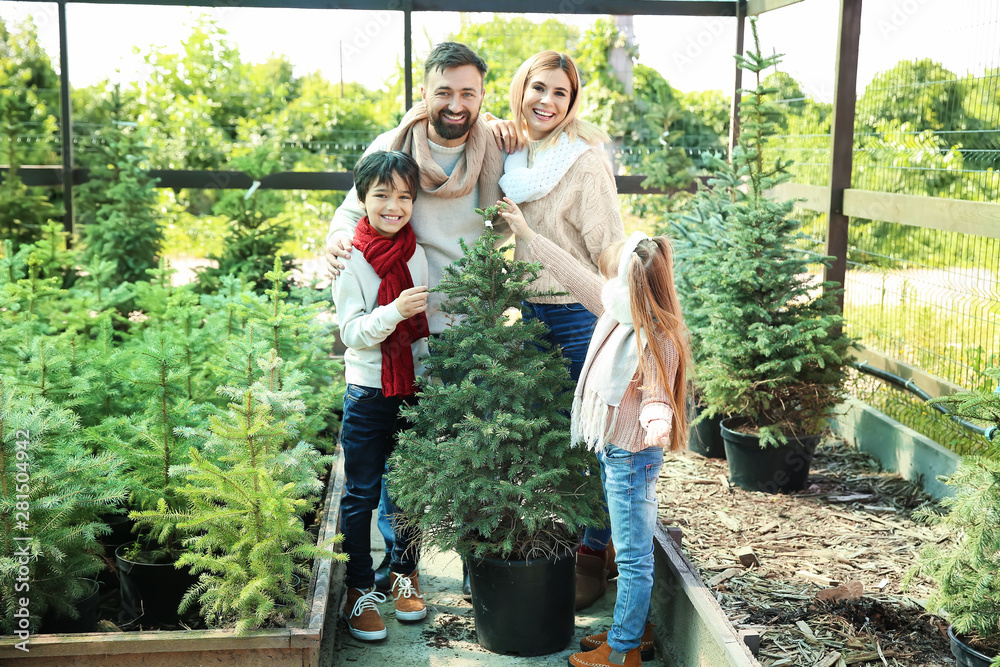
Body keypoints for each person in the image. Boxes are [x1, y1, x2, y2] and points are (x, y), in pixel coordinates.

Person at [326, 41, 511, 600]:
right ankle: (389, 574)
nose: (456, 104)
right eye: (444, 92)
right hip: (397, 332)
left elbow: (519, 208)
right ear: (424, 93)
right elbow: (352, 207)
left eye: (468, 93)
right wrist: (338, 239)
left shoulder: (495, 148)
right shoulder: (393, 145)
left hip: (465, 329)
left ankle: (468, 569)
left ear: (481, 96)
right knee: (393, 466)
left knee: (461, 452)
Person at [500, 200, 690, 667]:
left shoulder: (655, 337)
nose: (605, 285)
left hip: (633, 455)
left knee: (632, 556)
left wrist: (658, 421)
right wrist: (527, 234)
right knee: (628, 552)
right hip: (615, 451)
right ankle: (633, 630)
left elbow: (658, 395)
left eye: (614, 278)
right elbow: (572, 273)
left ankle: (623, 651)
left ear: (635, 287)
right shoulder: (617, 315)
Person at [497, 50, 626, 610]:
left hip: (577, 316)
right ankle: (581, 537)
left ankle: (595, 553)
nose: (547, 101)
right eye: (538, 88)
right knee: (551, 439)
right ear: (521, 89)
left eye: (560, 94)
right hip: (529, 316)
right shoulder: (514, 158)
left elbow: (607, 246)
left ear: (573, 104)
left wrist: (632, 291)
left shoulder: (583, 162)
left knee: (590, 440)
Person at [334, 150, 430, 642]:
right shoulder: (349, 258)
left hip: (412, 389)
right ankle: (357, 591)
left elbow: (421, 335)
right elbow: (351, 333)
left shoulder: (418, 254)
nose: (394, 206)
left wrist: (431, 383)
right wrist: (393, 311)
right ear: (362, 199)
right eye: (382, 195)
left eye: (404, 197)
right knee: (361, 495)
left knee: (409, 490)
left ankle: (403, 574)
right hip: (369, 392)